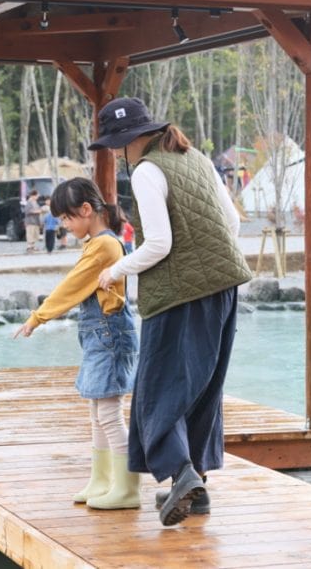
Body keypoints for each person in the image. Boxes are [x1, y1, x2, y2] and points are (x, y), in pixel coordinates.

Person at [92, 96, 250, 527]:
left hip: (180, 296)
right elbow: (232, 224)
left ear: (128, 141)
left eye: (113, 145)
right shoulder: (194, 157)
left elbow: (158, 244)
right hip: (225, 288)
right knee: (202, 390)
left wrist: (115, 270)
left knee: (157, 390)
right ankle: (196, 486)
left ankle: (181, 475)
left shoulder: (146, 170)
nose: (113, 153)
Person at [14, 178, 140, 509]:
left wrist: (38, 317)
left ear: (86, 210)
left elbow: (72, 286)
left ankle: (127, 489)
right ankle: (101, 480)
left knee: (109, 413)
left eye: (67, 219)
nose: (65, 226)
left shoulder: (104, 246)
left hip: (109, 338)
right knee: (97, 410)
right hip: (102, 337)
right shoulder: (99, 243)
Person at [23, 188, 42, 253]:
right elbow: (27, 211)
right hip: (30, 221)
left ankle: (33, 246)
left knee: (35, 234)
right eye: (37, 196)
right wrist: (37, 211)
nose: (37, 197)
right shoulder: (29, 202)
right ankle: (29, 247)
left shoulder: (35, 202)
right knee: (30, 234)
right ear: (33, 195)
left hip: (36, 221)